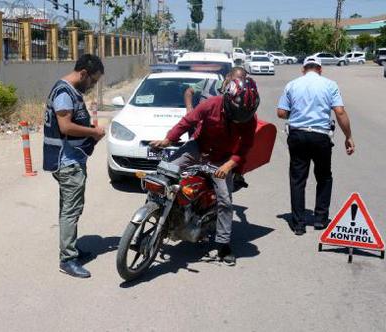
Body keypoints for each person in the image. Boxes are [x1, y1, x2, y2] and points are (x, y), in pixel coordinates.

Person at [151, 74, 260, 266]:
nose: (240, 118)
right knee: (163, 173)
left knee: (225, 201)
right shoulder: (211, 104)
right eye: (237, 112)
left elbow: (246, 147)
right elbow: (187, 122)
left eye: (245, 114)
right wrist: (168, 139)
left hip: (223, 159)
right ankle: (153, 215)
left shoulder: (249, 118)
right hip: (198, 148)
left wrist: (229, 165)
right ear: (227, 98)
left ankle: (223, 244)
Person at [43, 54, 106, 278]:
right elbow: (66, 127)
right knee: (70, 211)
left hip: (71, 159)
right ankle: (68, 259)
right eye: (94, 80)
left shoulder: (70, 91)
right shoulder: (64, 93)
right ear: (83, 74)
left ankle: (72, 250)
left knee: (71, 208)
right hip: (67, 162)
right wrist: (94, 132)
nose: (93, 85)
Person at [276, 56, 355, 236]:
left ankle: (298, 224)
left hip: (298, 135)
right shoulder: (330, 85)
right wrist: (348, 136)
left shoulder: (292, 85)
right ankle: (320, 219)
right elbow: (340, 112)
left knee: (298, 179)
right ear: (320, 70)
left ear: (303, 70)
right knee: (324, 176)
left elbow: (281, 113)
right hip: (321, 136)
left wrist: (296, 111)